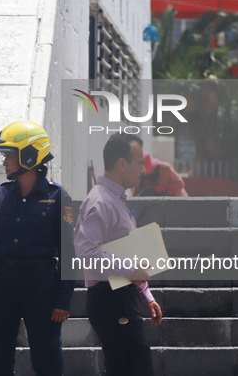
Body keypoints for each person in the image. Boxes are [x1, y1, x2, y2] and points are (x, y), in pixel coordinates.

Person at [0, 121, 75, 376]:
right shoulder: (1, 195)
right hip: (2, 282)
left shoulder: (59, 197)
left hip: (40, 284)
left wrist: (63, 299)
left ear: (30, 155)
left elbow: (71, 253)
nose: (4, 161)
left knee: (46, 353)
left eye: (9, 155)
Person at [74, 134, 162, 376]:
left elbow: (127, 254)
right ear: (122, 163)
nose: (143, 170)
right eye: (140, 163)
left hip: (122, 296)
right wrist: (131, 272)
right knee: (132, 365)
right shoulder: (100, 201)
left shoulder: (116, 199)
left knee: (131, 365)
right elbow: (87, 251)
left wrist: (146, 294)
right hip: (109, 299)